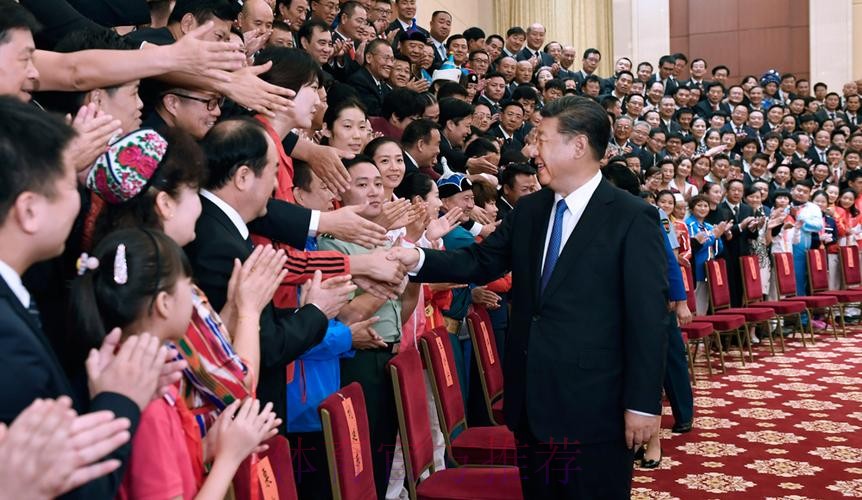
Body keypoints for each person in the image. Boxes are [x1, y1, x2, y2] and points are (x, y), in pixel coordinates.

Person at [389, 96, 669, 499]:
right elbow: (480, 261)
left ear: (578, 145)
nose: (531, 151)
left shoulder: (631, 216)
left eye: (542, 140)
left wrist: (643, 403)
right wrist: (417, 259)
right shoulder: (532, 209)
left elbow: (648, 318)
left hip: (596, 406)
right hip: (532, 404)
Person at [0, 96, 184, 499]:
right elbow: (70, 486)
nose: (80, 199)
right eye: (70, 184)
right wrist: (121, 401)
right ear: (28, 211)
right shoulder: (7, 338)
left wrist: (100, 389)